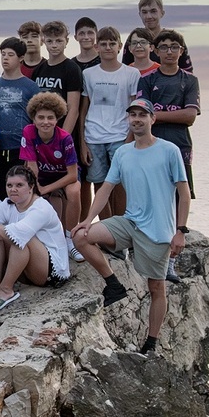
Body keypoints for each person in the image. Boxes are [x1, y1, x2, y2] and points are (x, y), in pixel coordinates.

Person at [71, 99, 190, 354]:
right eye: (132, 115)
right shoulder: (124, 152)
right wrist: (88, 218)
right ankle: (114, 285)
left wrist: (181, 231)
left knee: (156, 287)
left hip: (158, 231)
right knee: (82, 237)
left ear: (152, 119)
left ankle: (151, 342)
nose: (136, 119)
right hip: (129, 222)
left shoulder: (169, 150)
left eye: (142, 115)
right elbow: (106, 189)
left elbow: (184, 192)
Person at [138, 29, 201, 282]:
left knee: (178, 197)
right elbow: (140, 114)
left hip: (180, 146)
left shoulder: (189, 80)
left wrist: (156, 115)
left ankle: (171, 261)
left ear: (182, 51)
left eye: (174, 47)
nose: (169, 51)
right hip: (150, 146)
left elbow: (189, 116)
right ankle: (148, 254)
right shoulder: (147, 80)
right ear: (156, 50)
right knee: (151, 196)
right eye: (164, 47)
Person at [0, 166, 71, 311]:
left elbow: (20, 234)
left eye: (19, 185)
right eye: (9, 185)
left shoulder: (41, 207)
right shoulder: (7, 204)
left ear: (31, 187)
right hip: (25, 268)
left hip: (50, 272)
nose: (13, 189)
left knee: (21, 241)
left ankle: (6, 290)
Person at [80, 26, 141, 219]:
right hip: (94, 136)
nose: (108, 47)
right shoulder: (88, 74)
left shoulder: (132, 74)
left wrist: (130, 139)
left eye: (112, 43)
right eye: (104, 44)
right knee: (99, 183)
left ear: (120, 46)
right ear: (97, 47)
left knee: (121, 184)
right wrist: (82, 141)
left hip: (121, 135)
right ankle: (107, 231)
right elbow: (84, 108)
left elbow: (134, 108)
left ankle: (121, 229)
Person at [20, 92, 83, 261]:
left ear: (57, 119)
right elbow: (32, 166)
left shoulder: (65, 137)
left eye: (50, 117)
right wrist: (38, 188)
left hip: (64, 176)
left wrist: (47, 189)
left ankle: (71, 239)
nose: (45, 122)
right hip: (43, 176)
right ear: (33, 118)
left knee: (74, 191)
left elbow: (72, 175)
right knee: (25, 190)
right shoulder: (29, 131)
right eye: (41, 117)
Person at [0, 37, 40, 198]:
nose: (5, 58)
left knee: (20, 194)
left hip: (20, 149)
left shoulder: (31, 87)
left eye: (10, 54)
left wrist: (31, 153)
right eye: (3, 54)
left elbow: (37, 121)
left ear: (21, 58)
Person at [72, 17, 102, 220]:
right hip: (78, 128)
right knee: (82, 180)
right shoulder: (72, 65)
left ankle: (109, 227)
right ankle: (84, 224)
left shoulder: (104, 61)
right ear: (75, 37)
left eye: (90, 32)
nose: (86, 37)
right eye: (82, 33)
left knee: (106, 181)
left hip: (104, 127)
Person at [31, 20, 83, 135]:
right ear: (44, 41)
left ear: (66, 41)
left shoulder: (72, 69)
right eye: (50, 41)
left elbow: (73, 110)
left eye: (59, 41)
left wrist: (62, 139)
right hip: (41, 134)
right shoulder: (38, 70)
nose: (54, 45)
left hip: (61, 132)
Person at [122, 0, 193, 72]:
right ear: (140, 14)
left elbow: (187, 74)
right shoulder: (134, 40)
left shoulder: (174, 40)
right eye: (144, 12)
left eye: (153, 11)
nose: (149, 16)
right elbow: (125, 71)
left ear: (162, 13)